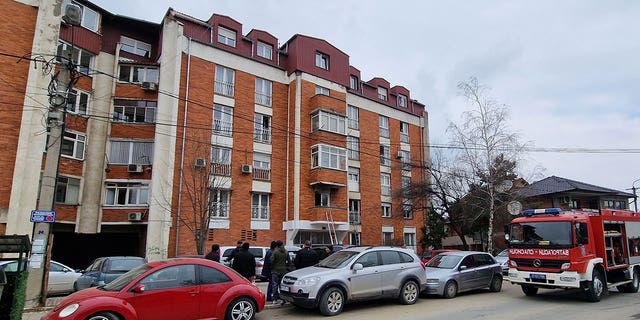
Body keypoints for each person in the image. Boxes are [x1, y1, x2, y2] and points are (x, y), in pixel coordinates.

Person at [270, 240, 289, 305]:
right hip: (283, 271)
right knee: (282, 285)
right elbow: (289, 262)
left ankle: (275, 299)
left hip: (275, 271)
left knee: (275, 285)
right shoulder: (286, 252)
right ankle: (283, 299)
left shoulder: (275, 252)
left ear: (277, 245)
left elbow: (271, 261)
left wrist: (272, 268)